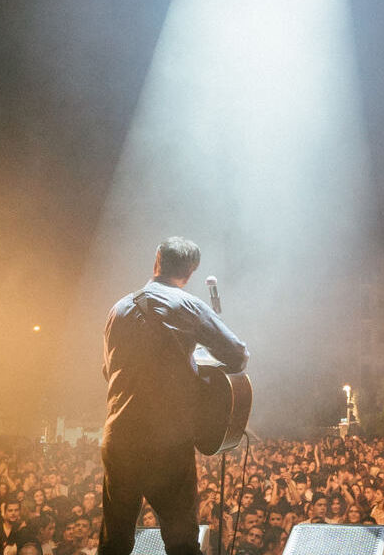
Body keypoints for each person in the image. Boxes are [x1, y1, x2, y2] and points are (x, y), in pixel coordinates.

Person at [98, 237, 249, 555]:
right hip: (167, 442)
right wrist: (197, 367)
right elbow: (237, 356)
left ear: (157, 259)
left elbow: (108, 372)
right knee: (181, 542)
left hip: (119, 438)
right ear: (191, 271)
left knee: (115, 541)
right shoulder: (190, 306)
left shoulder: (118, 309)